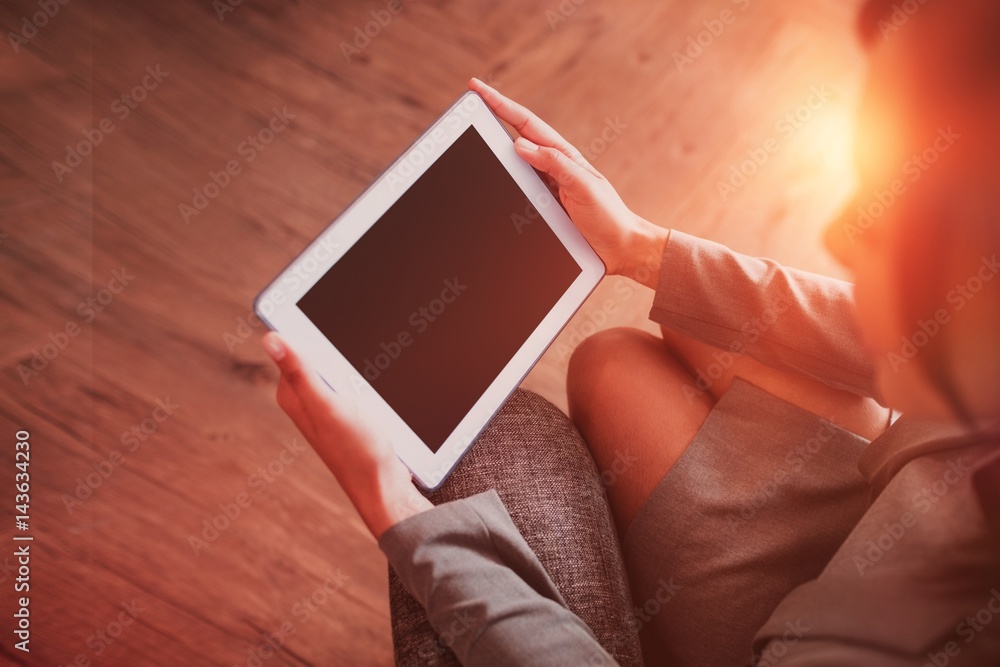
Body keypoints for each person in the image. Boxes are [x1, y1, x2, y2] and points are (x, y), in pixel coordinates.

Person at [261, 0, 1000, 664]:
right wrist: (639, 247)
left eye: (911, 211)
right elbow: (887, 326)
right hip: (868, 541)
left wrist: (393, 504)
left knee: (479, 445)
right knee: (614, 360)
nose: (840, 234)